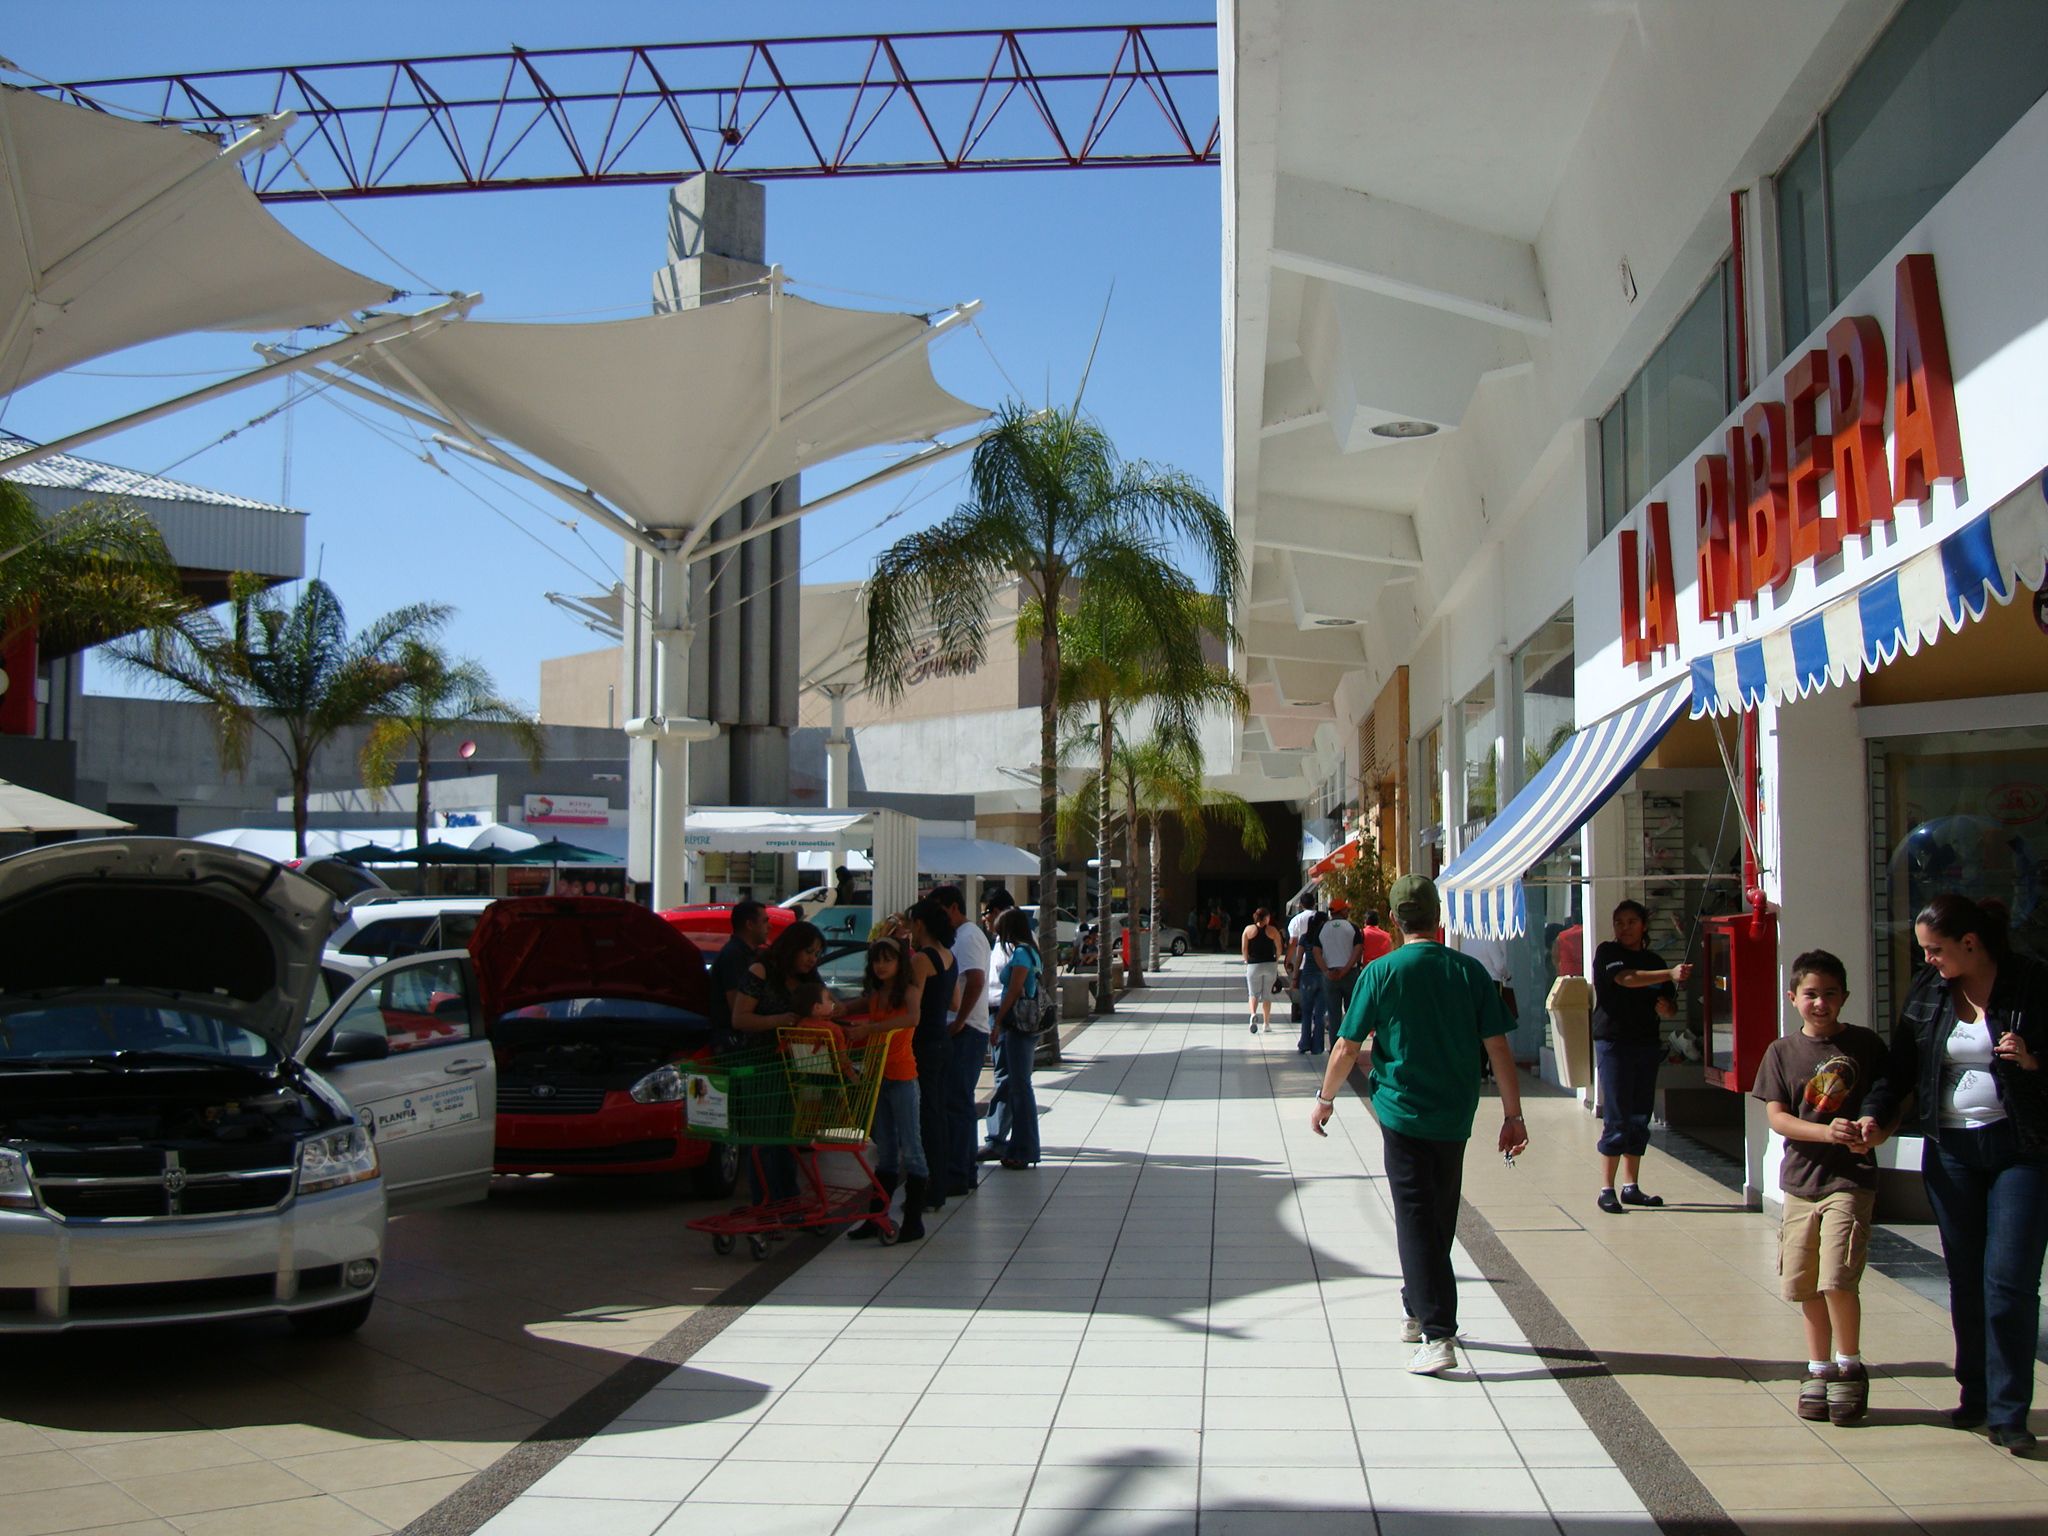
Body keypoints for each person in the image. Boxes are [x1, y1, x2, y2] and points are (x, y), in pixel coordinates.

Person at [1311, 874, 1526, 1375]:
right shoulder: (1469, 973)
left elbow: (1347, 1045)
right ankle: (1417, 1302)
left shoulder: (1381, 972)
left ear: (1392, 920)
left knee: (1414, 1218)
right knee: (1439, 1214)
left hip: (1402, 1112)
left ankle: (1437, 1332)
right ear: (1439, 917)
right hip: (1455, 1113)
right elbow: (1499, 1048)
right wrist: (1513, 1114)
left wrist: (1325, 1098)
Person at [1863, 894, 2048, 1452]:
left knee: (2009, 1281)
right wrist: (1875, 1113)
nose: (1928, 960)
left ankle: (2012, 1412)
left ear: (1972, 943)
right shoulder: (1930, 991)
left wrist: (2036, 1062)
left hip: (2023, 1148)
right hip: (1951, 1152)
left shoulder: (2033, 982)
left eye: (1935, 950)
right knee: (1966, 1278)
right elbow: (1899, 1066)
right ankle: (1978, 1396)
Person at [1751, 949, 1890, 1426]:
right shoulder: (1781, 1052)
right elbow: (1778, 1117)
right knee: (1805, 1281)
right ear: (1793, 998)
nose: (1820, 1002)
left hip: (1849, 1180)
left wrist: (1875, 1130)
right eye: (1810, 994)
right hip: (1800, 1183)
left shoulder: (1867, 1046)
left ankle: (1849, 1365)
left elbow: (1889, 1101)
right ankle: (1818, 1367)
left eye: (1830, 994)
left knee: (1837, 1276)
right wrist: (1825, 1131)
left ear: (1845, 997)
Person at [1590, 899, 1692, 1215]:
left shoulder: (1654, 959)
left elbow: (1668, 1003)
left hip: (1646, 1043)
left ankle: (1630, 1185)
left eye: (1631, 922)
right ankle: (1607, 1188)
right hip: (1614, 1043)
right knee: (1617, 1114)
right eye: (1619, 922)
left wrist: (1668, 1007)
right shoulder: (1608, 954)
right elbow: (1627, 979)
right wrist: (1669, 973)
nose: (1624, 928)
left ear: (1643, 926)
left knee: (1639, 1115)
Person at [731, 920, 838, 1208]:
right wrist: (777, 1021)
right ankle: (764, 1206)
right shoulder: (761, 971)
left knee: (788, 1140)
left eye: (816, 954)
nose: (812, 959)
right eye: (808, 952)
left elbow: (832, 1007)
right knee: (764, 1142)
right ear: (791, 948)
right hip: (762, 1066)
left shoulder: (809, 980)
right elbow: (740, 1019)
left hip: (797, 1069)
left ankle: (788, 1204)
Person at [843, 935, 930, 1243]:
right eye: (876, 960)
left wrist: (870, 1029)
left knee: (912, 1147)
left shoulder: (909, 990)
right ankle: (876, 1216)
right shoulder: (877, 995)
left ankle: (913, 1220)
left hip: (903, 1076)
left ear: (899, 963)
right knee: (886, 1152)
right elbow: (854, 1006)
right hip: (877, 1077)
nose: (881, 966)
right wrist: (832, 1011)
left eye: (887, 960)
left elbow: (913, 1018)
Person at [932, 884, 990, 1198]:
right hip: (964, 1028)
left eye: (940, 909)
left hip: (967, 1031)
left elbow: (976, 980)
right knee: (959, 1101)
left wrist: (960, 1020)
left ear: (954, 907)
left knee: (957, 1101)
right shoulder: (961, 937)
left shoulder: (968, 937)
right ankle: (963, 1169)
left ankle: (959, 1170)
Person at [906, 897, 960, 1212]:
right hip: (942, 1040)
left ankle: (927, 1186)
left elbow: (912, 1009)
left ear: (920, 924)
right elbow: (954, 1003)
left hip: (922, 1043)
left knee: (924, 1117)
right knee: (937, 1114)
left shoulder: (921, 960)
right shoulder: (949, 957)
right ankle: (938, 1185)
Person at [985, 907, 1043, 1169]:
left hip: (1018, 1024)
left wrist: (998, 1021)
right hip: (1023, 1024)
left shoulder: (1020, 953)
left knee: (1020, 1088)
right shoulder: (1030, 951)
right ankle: (1021, 1147)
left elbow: (1014, 990)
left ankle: (1025, 1148)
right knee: (1020, 1086)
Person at [978, 888, 1019, 1161]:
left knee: (1005, 1077)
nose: (983, 920)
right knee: (1007, 1076)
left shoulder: (1009, 944)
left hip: (1004, 1015)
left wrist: (998, 1021)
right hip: (998, 1014)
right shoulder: (1000, 942)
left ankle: (996, 1138)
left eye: (985, 913)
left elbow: (1011, 986)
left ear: (995, 912)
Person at [709, 899, 770, 1048]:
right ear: (749, 924)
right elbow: (736, 1003)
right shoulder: (734, 956)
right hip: (733, 1041)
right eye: (765, 921)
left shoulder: (751, 954)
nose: (770, 926)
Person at [1291, 900, 1329, 1054]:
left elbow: (1299, 958)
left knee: (1306, 1012)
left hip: (1307, 976)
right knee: (1319, 1014)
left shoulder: (1305, 937)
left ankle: (1304, 1042)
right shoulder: (1327, 938)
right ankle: (1318, 1046)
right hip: (1324, 976)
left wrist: (1295, 978)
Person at [1242, 906, 1284, 1034]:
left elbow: (1244, 948)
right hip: (1269, 964)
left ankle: (1253, 1014)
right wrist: (1276, 959)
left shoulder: (1248, 930)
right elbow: (1279, 947)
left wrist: (1246, 960)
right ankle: (1266, 1024)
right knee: (1267, 995)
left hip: (1254, 965)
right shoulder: (1272, 930)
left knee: (1253, 993)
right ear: (1266, 918)